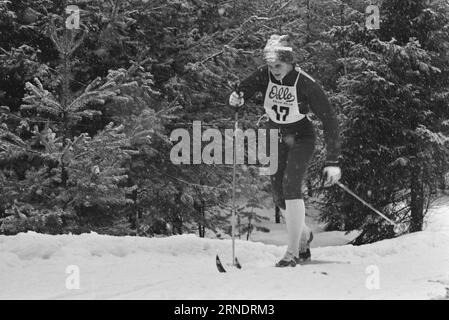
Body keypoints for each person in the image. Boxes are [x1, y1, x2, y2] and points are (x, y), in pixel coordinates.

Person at [228, 35, 342, 267]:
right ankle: (303, 236)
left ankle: (292, 253)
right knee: (279, 196)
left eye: (278, 66)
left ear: (290, 62)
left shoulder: (305, 83)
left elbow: (330, 120)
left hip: (301, 138)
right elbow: (241, 93)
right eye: (271, 66)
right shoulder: (264, 75)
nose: (274, 70)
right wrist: (235, 98)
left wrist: (333, 160)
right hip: (274, 138)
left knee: (291, 186)